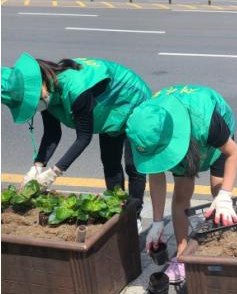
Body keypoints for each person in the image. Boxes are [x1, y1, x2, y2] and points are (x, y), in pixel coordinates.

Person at [1, 53, 151, 224]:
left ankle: (134, 218)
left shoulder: (76, 90)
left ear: (39, 83)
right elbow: (52, 134)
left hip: (132, 98)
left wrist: (54, 172)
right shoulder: (46, 94)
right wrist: (37, 166)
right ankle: (119, 213)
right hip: (108, 109)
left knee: (133, 166)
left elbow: (83, 138)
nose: (35, 104)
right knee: (110, 162)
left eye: (33, 99)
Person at [126, 85, 237, 284]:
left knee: (217, 187)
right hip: (176, 135)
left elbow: (233, 153)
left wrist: (224, 196)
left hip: (205, 123)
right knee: (181, 193)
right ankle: (182, 254)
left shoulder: (205, 119)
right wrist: (157, 222)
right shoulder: (144, 126)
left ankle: (226, 244)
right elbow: (156, 174)